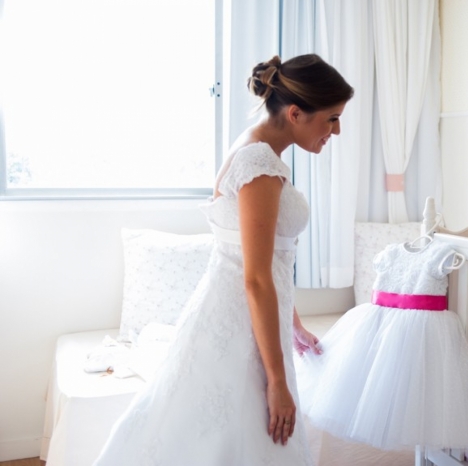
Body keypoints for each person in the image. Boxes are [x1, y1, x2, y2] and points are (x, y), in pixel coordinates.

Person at [94, 53, 354, 465]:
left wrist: (294, 323)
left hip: (244, 313)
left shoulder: (257, 149)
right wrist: (277, 382)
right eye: (332, 118)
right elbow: (255, 278)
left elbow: (267, 263)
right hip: (240, 321)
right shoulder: (260, 165)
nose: (337, 130)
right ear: (295, 112)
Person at [295, 236, 468, 451]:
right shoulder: (390, 253)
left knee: (415, 383)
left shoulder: (441, 255)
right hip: (380, 320)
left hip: (421, 326)